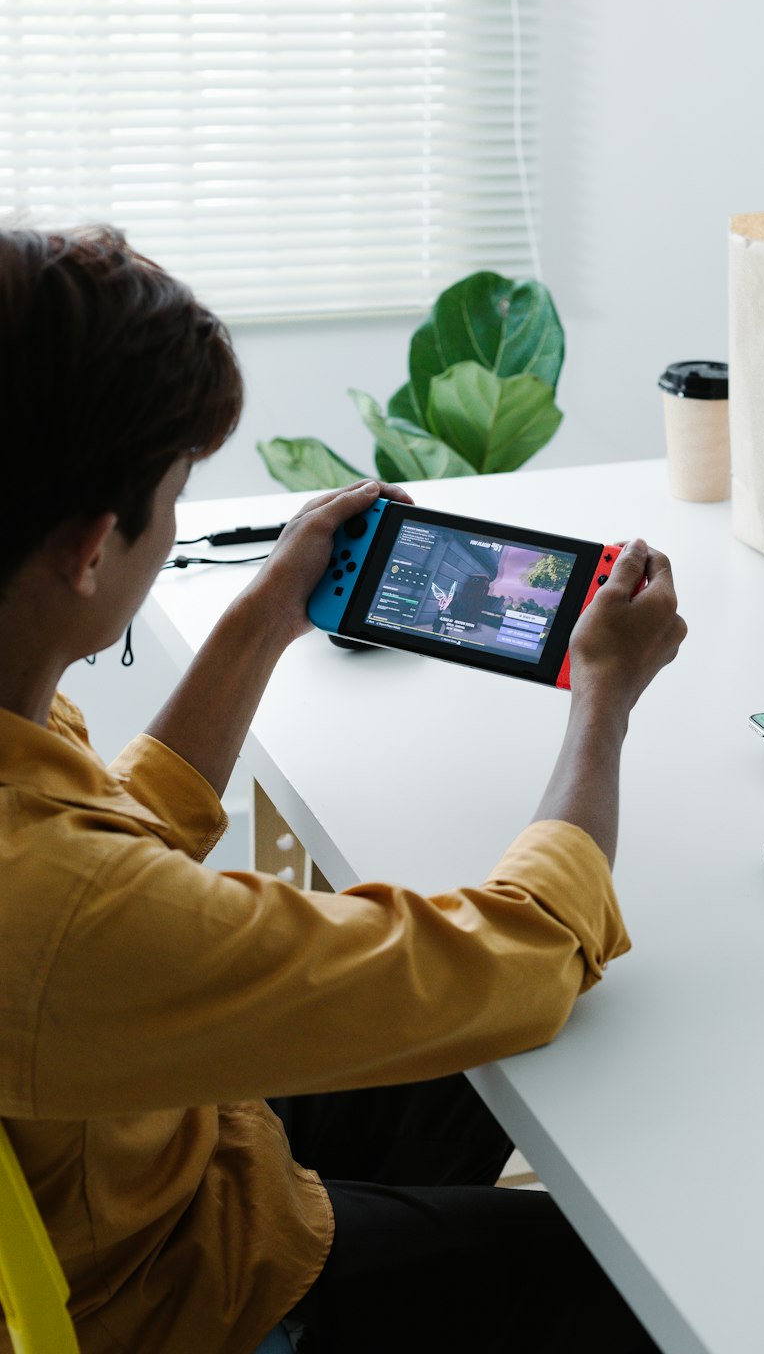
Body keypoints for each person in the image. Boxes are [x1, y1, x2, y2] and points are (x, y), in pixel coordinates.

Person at [0, 227, 688, 1354]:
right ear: (88, 551)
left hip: (153, 1140)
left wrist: (270, 607)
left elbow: (110, 840)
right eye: (175, 492)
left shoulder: (18, 723)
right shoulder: (59, 909)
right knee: (612, 1274)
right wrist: (602, 698)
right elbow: (518, 959)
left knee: (493, 1071)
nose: (176, 525)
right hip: (193, 1287)